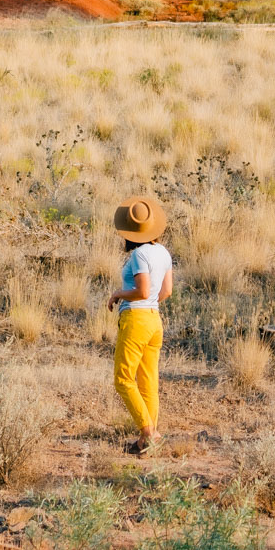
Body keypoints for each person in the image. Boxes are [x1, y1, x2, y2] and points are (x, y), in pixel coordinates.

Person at [107, 195, 173, 455]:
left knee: (123, 379)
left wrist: (117, 294)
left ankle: (148, 432)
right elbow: (165, 291)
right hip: (155, 321)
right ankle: (147, 439)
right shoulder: (163, 252)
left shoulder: (139, 255)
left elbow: (142, 291)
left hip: (136, 319)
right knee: (148, 380)